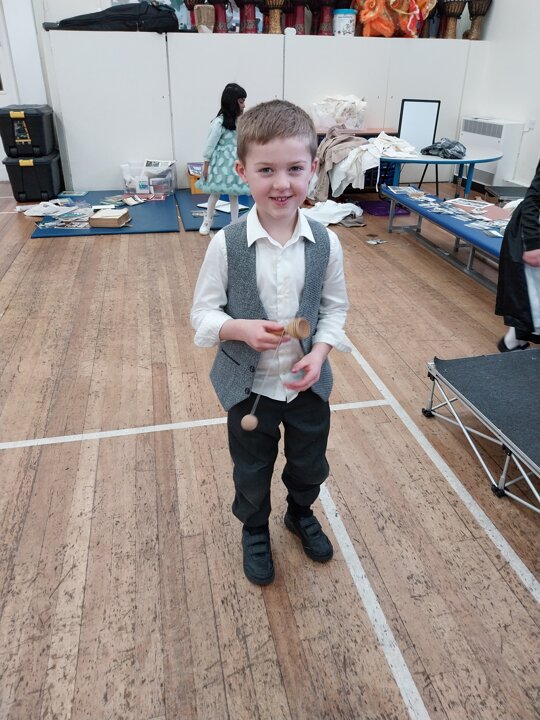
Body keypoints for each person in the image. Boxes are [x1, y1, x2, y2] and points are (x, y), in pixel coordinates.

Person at [191, 100, 350, 585]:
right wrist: (239, 329)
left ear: (313, 168)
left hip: (307, 387)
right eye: (266, 170)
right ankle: (255, 528)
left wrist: (319, 353)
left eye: (294, 169)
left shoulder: (326, 242)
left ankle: (299, 513)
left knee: (309, 464)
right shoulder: (226, 244)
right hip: (248, 390)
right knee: (251, 469)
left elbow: (334, 309)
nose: (282, 183)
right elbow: (202, 314)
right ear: (242, 172)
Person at [495, 158, 540, 351]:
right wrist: (533, 242)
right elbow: (534, 198)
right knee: (530, 303)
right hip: (533, 230)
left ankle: (513, 342)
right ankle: (512, 343)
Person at [196, 83, 250, 236]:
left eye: (244, 101)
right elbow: (210, 144)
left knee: (234, 195)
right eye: (241, 101)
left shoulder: (241, 122)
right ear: (232, 102)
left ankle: (234, 223)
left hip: (235, 164)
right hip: (220, 165)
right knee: (215, 193)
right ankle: (208, 220)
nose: (244, 105)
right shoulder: (219, 123)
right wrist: (206, 165)